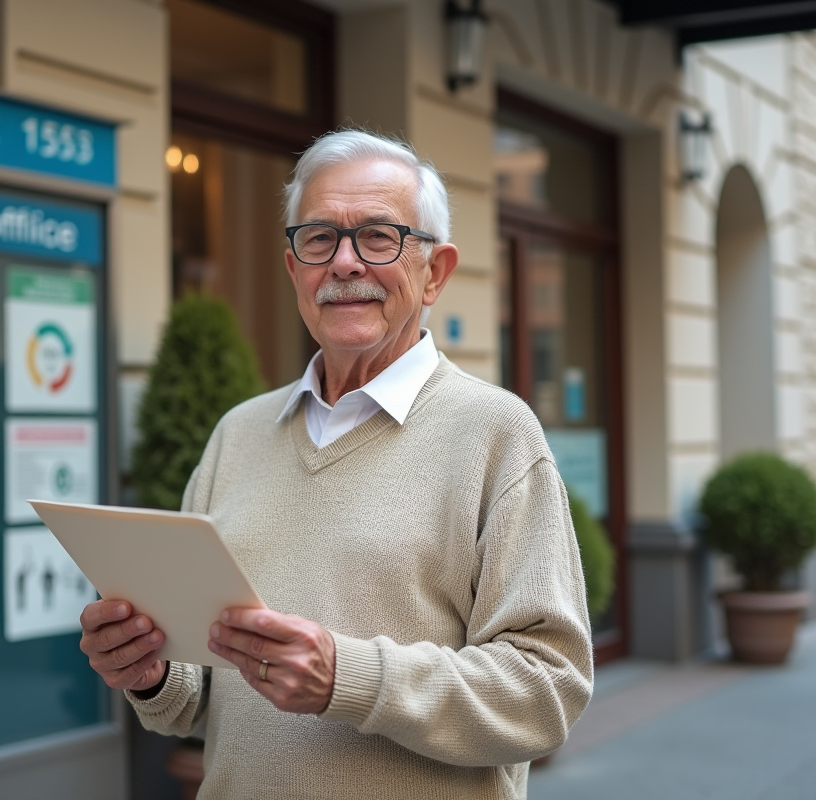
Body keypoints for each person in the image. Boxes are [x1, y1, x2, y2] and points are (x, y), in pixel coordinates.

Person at [79, 129, 593, 799]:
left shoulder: (496, 434)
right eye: (318, 239)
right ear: (295, 268)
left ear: (434, 271)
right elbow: (200, 697)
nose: (344, 263)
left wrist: (349, 679)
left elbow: (545, 691)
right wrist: (147, 670)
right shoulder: (238, 433)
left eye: (379, 237)